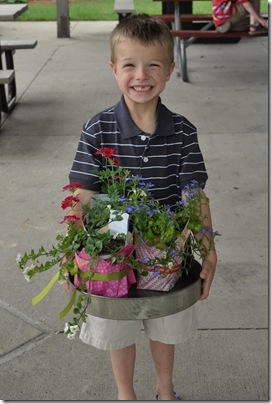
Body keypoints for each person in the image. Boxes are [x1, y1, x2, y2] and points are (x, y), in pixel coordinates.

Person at [66, 14, 217, 401]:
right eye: (129, 64)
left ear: (169, 70)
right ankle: (125, 395)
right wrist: (74, 250)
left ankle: (165, 391)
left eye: (153, 64)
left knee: (165, 323)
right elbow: (82, 193)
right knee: (117, 326)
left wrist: (207, 247)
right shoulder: (98, 128)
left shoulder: (183, 131)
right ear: (113, 69)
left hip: (166, 249)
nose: (141, 75)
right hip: (112, 245)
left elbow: (192, 194)